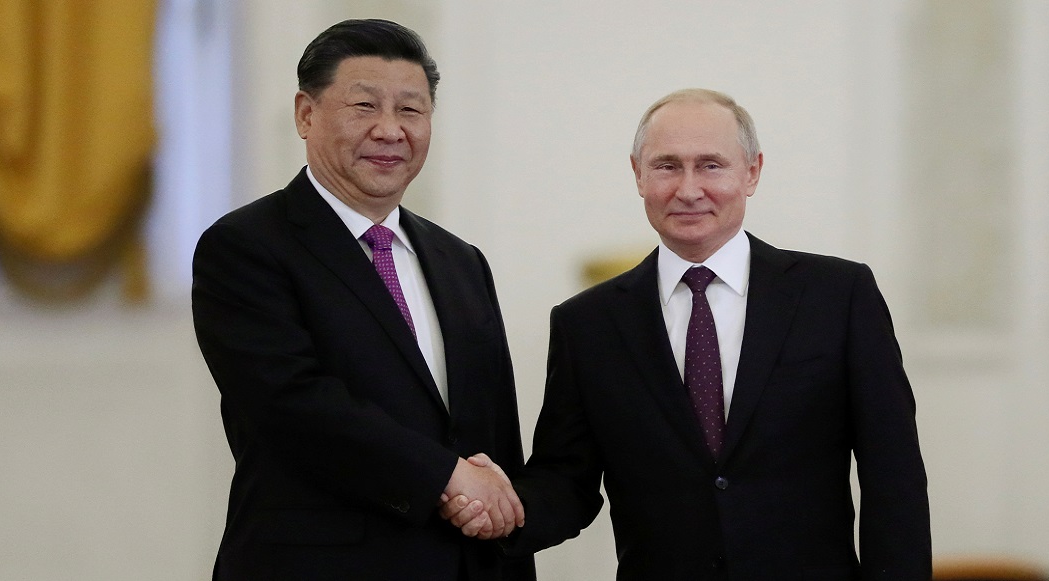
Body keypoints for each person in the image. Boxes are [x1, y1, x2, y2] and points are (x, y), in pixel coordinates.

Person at [444, 88, 931, 580]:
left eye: (711, 165)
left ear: (752, 172)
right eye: (667, 166)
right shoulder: (587, 324)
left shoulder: (838, 296)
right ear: (638, 174)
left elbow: (894, 475)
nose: (689, 189)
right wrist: (502, 507)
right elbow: (568, 479)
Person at [192, 19, 534, 581]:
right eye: (364, 106)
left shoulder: (460, 261)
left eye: (410, 110)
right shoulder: (245, 247)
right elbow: (293, 406)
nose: (390, 130)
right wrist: (446, 476)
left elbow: (495, 441)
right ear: (306, 114)